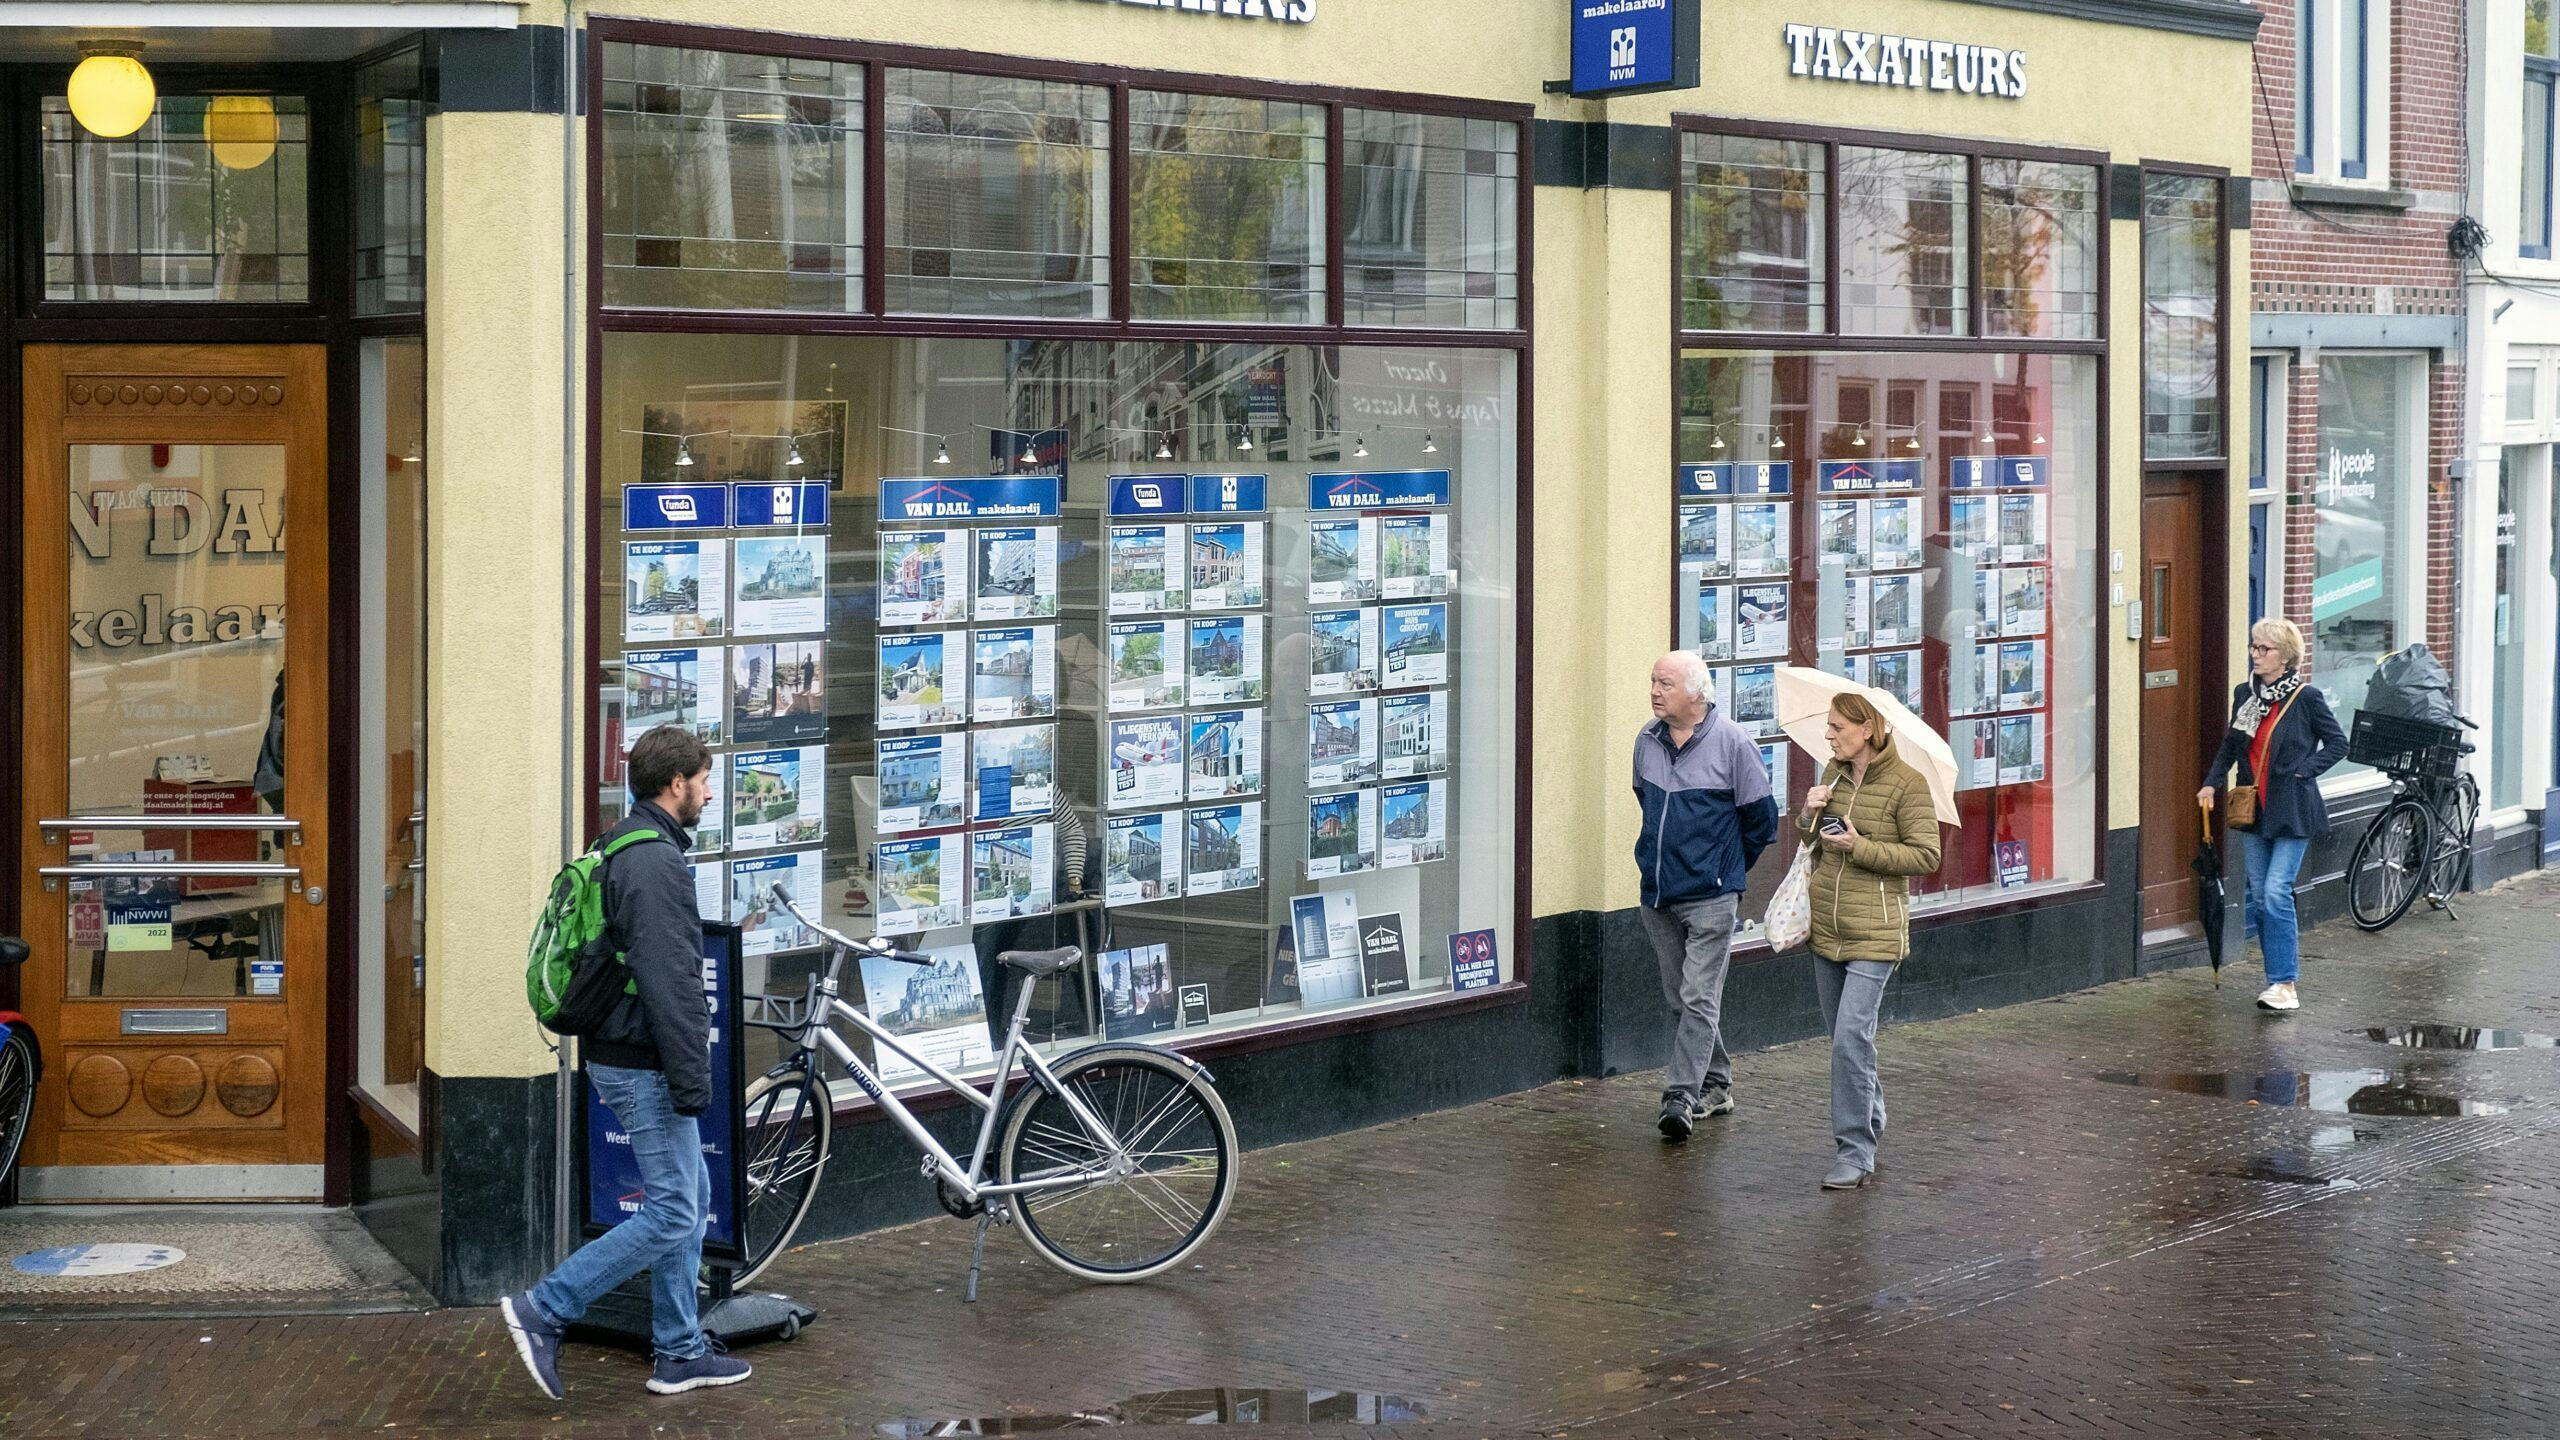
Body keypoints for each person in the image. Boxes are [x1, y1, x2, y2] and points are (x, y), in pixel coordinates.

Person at [500, 725, 751, 1399]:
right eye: (703, 780)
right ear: (677, 785)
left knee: (687, 1198)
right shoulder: (653, 863)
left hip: (625, 1051)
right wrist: (694, 1079)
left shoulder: (620, 842)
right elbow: (672, 981)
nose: (707, 792)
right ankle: (545, 1308)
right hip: (642, 1060)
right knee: (673, 1211)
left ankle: (678, 1349)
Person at [1797, 691, 1942, 1191]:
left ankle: (1855, 1150)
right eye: (1829, 726)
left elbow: (1925, 857)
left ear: (1868, 729)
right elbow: (1810, 842)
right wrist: (1809, 814)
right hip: (1827, 928)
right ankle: (1871, 1113)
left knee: (1850, 1039)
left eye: (1838, 727)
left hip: (1876, 932)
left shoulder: (1909, 785)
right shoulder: (1830, 777)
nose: (1830, 735)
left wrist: (1860, 847)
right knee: (1845, 1041)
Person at [1633, 650, 1779, 1142]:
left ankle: (1680, 1095)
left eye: (1665, 684)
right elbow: (1645, 804)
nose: (1654, 691)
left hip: (1712, 897)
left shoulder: (1733, 744)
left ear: (1696, 693)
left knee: (1698, 995)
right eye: (1653, 681)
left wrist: (1725, 870)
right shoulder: (1646, 742)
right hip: (1658, 893)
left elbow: (1760, 822)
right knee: (1681, 997)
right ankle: (1716, 1083)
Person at [2197, 617, 2346, 1013]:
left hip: (2293, 809)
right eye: (2253, 647)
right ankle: (2274, 981)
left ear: (2286, 656)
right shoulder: (2245, 694)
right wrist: (2212, 783)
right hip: (2253, 809)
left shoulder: (2306, 698)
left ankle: (2285, 983)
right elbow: (2231, 745)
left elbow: (2338, 744)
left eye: (2265, 649)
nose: (2256, 654)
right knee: (2261, 897)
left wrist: (2303, 771)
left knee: (2277, 891)